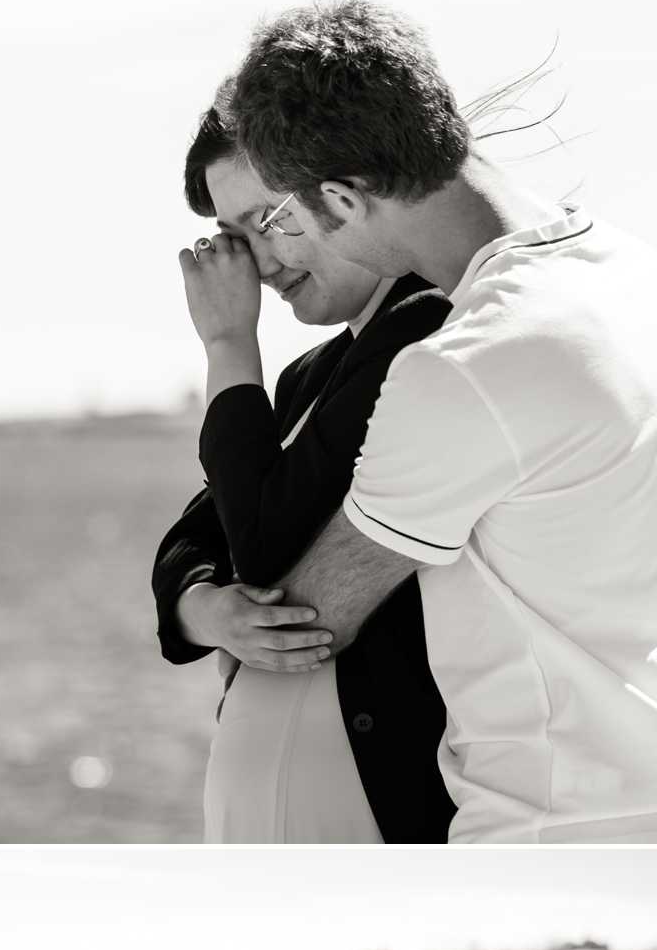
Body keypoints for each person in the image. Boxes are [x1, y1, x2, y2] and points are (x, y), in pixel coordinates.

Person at [205, 0, 657, 842]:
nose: (276, 249)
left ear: (343, 201)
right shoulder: (638, 273)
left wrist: (206, 603)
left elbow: (303, 614)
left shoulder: (466, 366)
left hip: (555, 836)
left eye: (282, 217)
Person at [153, 97, 451, 844]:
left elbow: (259, 544)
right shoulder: (306, 379)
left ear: (339, 194)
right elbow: (192, 538)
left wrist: (228, 345)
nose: (259, 261)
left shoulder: (425, 333)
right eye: (232, 237)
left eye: (268, 219)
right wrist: (206, 610)